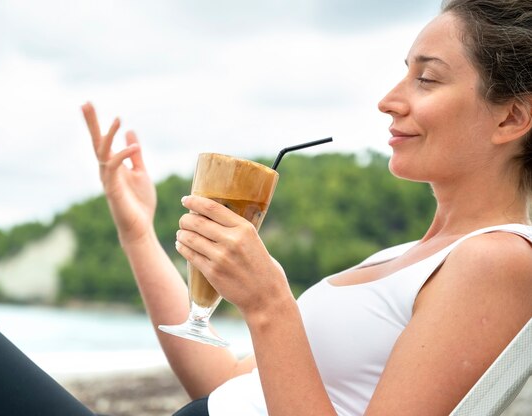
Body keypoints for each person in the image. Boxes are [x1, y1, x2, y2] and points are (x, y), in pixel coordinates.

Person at [81, 0, 532, 414]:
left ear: (511, 118)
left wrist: (269, 304)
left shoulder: (496, 259)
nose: (389, 101)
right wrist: (137, 232)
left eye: (427, 79)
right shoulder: (408, 256)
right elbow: (221, 382)